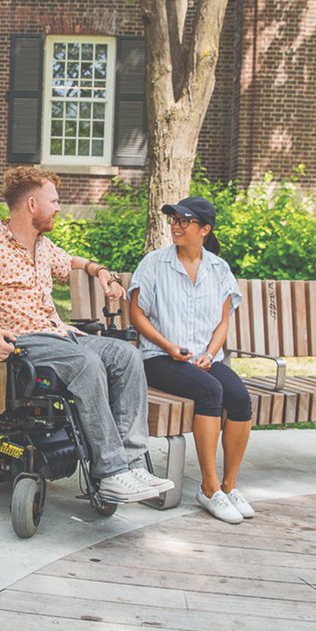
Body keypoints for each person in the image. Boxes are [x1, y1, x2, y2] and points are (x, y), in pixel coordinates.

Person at [0, 166, 173, 504]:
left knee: (128, 355)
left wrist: (100, 271)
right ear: (32, 204)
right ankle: (111, 471)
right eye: (54, 201)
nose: (59, 208)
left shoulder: (43, 246)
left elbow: (71, 261)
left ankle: (132, 464)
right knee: (86, 362)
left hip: (61, 335)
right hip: (25, 342)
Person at [128, 196, 256, 524]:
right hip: (159, 357)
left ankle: (229, 485)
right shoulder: (154, 263)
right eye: (173, 220)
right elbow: (137, 314)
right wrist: (168, 345)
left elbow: (223, 321)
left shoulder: (219, 269)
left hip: (204, 358)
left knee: (240, 398)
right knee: (210, 392)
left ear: (204, 229)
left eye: (184, 221)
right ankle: (209, 488)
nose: (176, 226)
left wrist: (211, 354)